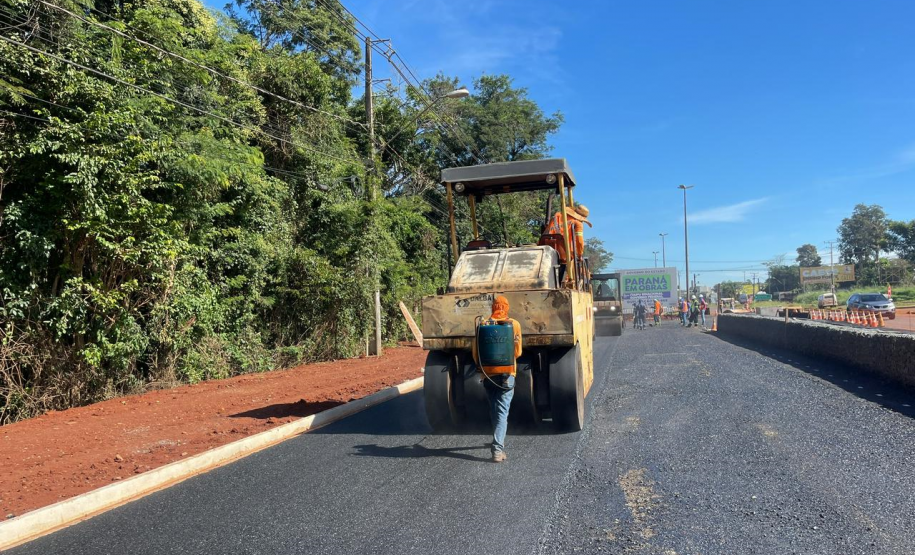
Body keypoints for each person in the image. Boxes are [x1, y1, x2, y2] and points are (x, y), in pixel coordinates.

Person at [471, 295, 522, 463]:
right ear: (506, 307)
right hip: (507, 376)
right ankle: (497, 449)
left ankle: (498, 442)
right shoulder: (513, 324)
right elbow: (518, 352)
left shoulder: (482, 325)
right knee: (502, 412)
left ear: (493, 307)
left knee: (494, 409)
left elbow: (475, 352)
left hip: (487, 375)